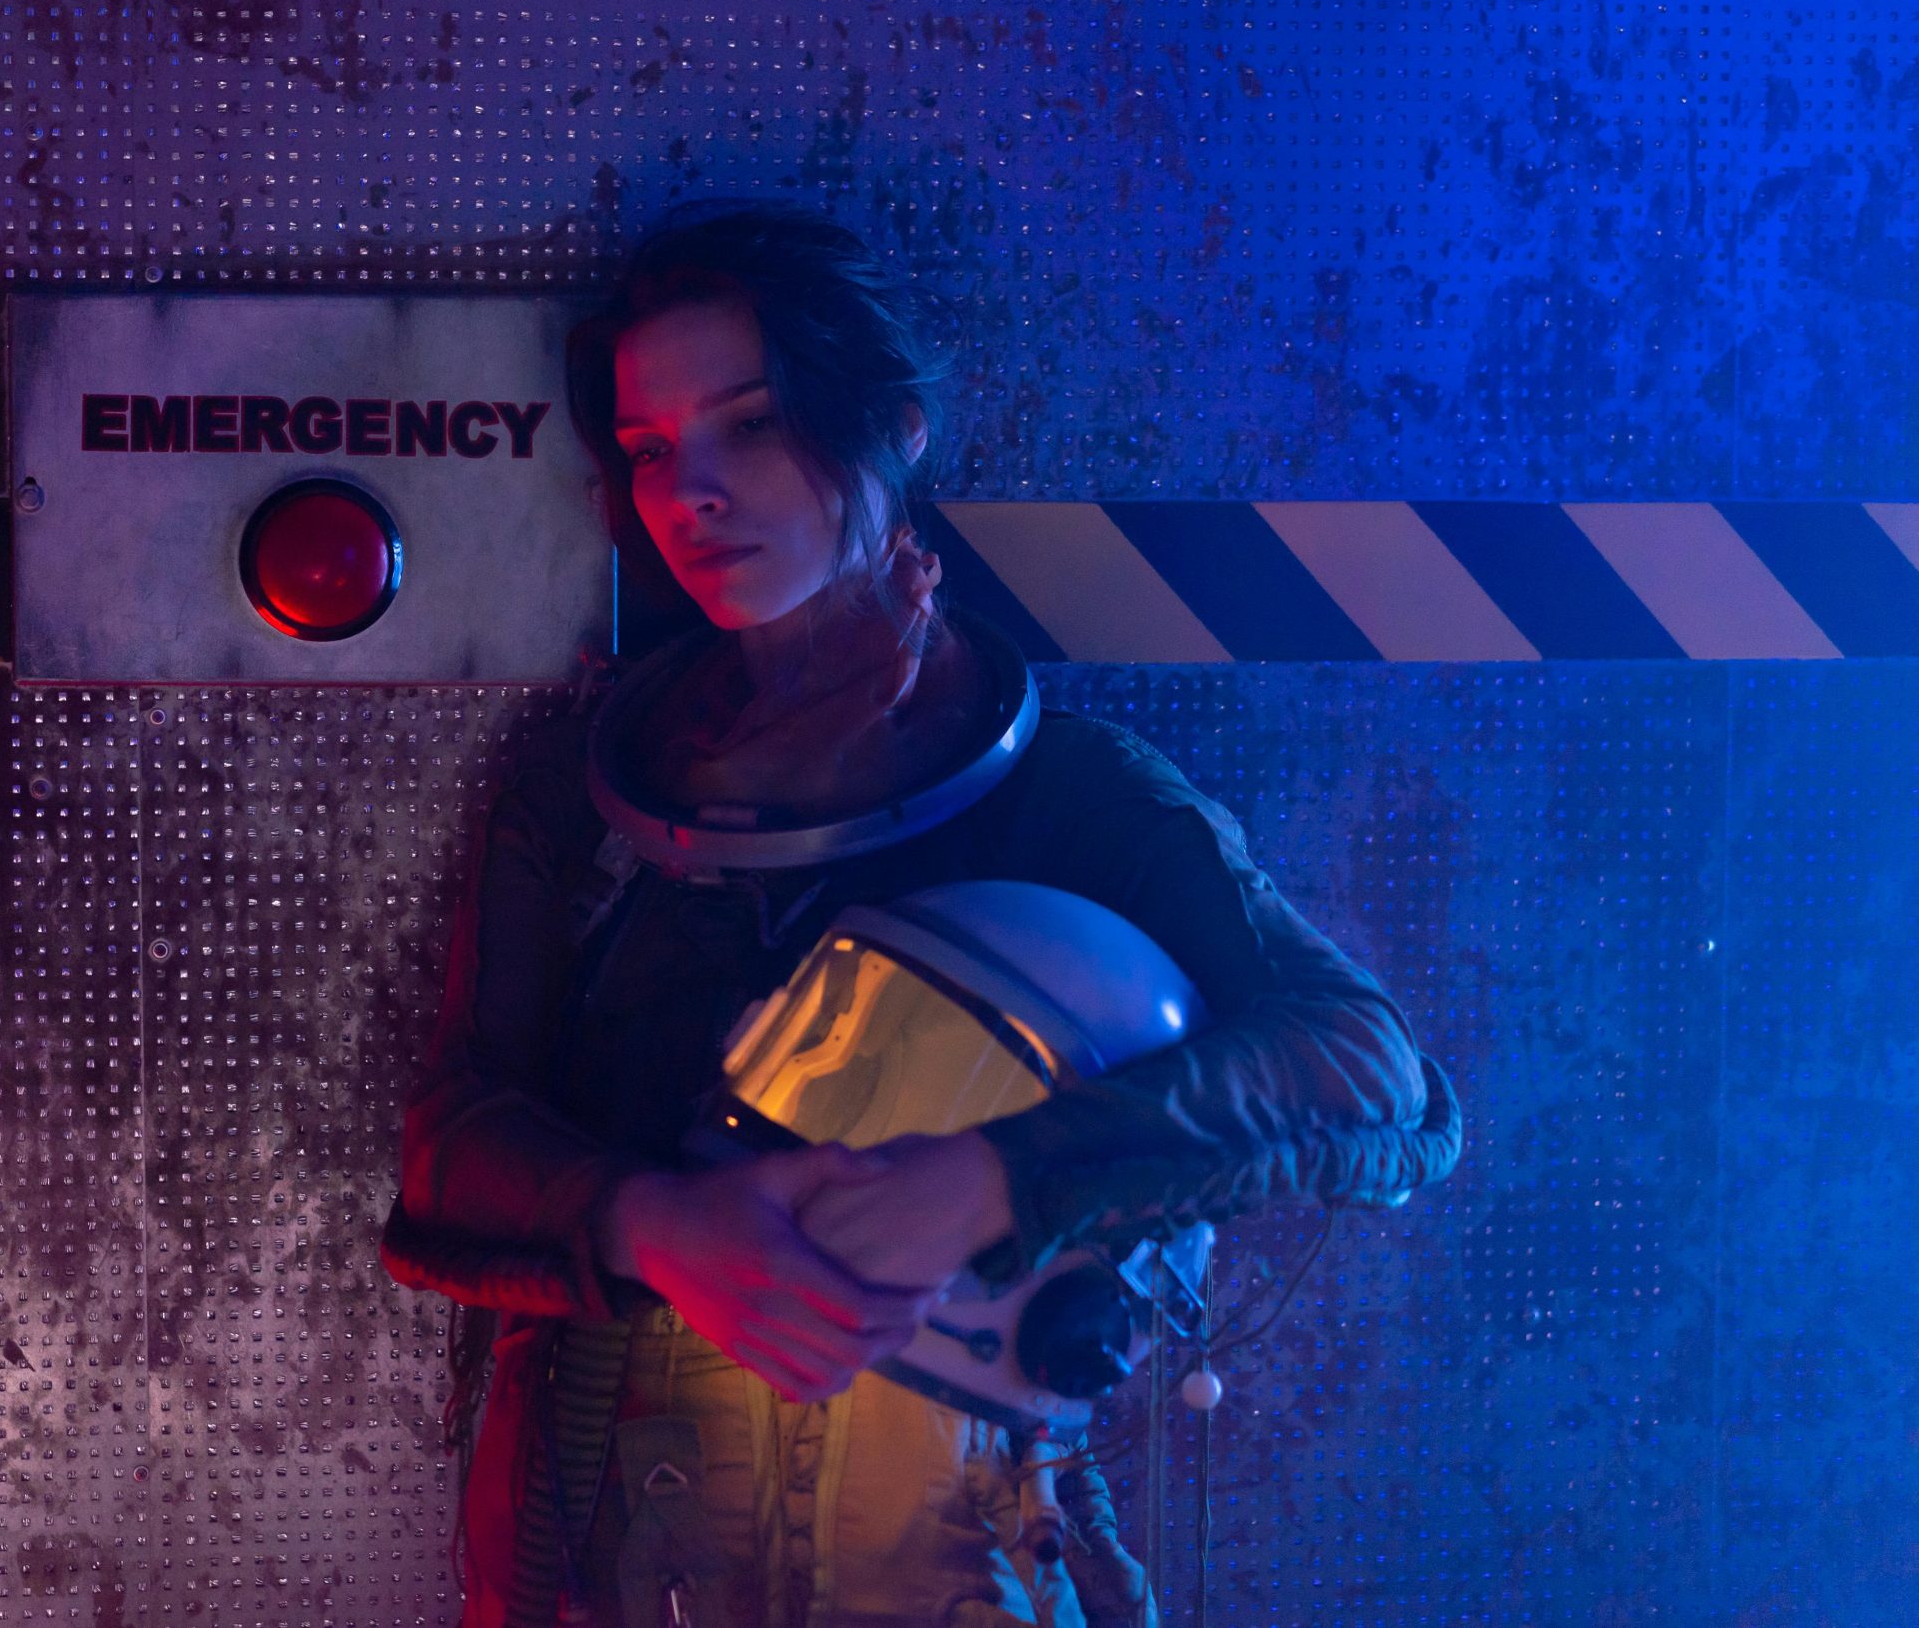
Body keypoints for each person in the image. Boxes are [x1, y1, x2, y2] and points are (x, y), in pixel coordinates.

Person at [380, 203, 1457, 1628]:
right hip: (592, 1559)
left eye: (751, 426)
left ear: (890, 426)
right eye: (648, 451)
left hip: (957, 1556)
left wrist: (998, 1179)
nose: (690, 489)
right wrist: (655, 1227)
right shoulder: (588, 790)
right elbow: (448, 1157)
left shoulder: (1066, 795)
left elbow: (1375, 1078)